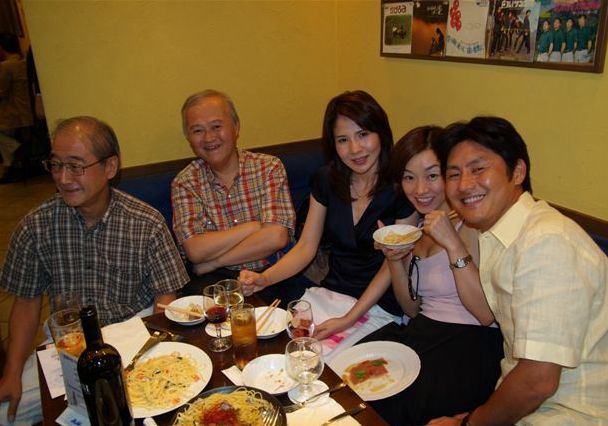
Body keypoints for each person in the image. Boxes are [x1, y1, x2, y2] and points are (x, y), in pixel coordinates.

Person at [0, 116, 189, 423]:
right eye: (56, 165)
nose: (63, 178)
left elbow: (165, 297)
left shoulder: (146, 223)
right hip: (68, 346)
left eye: (76, 166)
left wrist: (157, 353)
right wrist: (11, 373)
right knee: (5, 412)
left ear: (110, 167)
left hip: (132, 336)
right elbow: (26, 303)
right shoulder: (35, 226)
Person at [429, 116, 608, 425]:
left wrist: (469, 423)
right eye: (453, 174)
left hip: (574, 412)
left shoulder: (546, 241)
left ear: (518, 172)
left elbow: (538, 380)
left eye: (478, 169)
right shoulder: (500, 234)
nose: (464, 184)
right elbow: (489, 316)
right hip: (535, 402)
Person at [240, 90, 416, 339]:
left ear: (382, 133)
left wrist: (348, 319)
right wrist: (264, 279)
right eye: (343, 140)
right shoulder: (327, 180)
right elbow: (306, 247)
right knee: (281, 347)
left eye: (363, 134)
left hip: (380, 306)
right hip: (332, 296)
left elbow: (393, 266)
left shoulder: (403, 186)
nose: (355, 149)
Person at [360, 126, 503, 425]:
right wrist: (395, 260)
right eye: (409, 177)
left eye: (432, 175)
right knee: (354, 382)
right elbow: (412, 308)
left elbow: (485, 314)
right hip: (423, 331)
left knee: (396, 409)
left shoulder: (472, 223)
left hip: (470, 344)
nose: (420, 189)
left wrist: (452, 244)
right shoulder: (417, 229)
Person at [171, 89, 295, 296]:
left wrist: (214, 261)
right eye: (198, 130)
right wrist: (253, 227)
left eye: (217, 126)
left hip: (270, 274)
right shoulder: (185, 182)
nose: (209, 137)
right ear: (189, 138)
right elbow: (195, 250)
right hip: (214, 281)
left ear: (236, 127)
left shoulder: (269, 167)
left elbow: (276, 237)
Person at [0, 32, 33, 183]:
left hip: (13, 114)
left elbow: (2, 91)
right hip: (27, 111)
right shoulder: (23, 62)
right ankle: (11, 163)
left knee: (3, 135)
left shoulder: (6, 66)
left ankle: (13, 154)